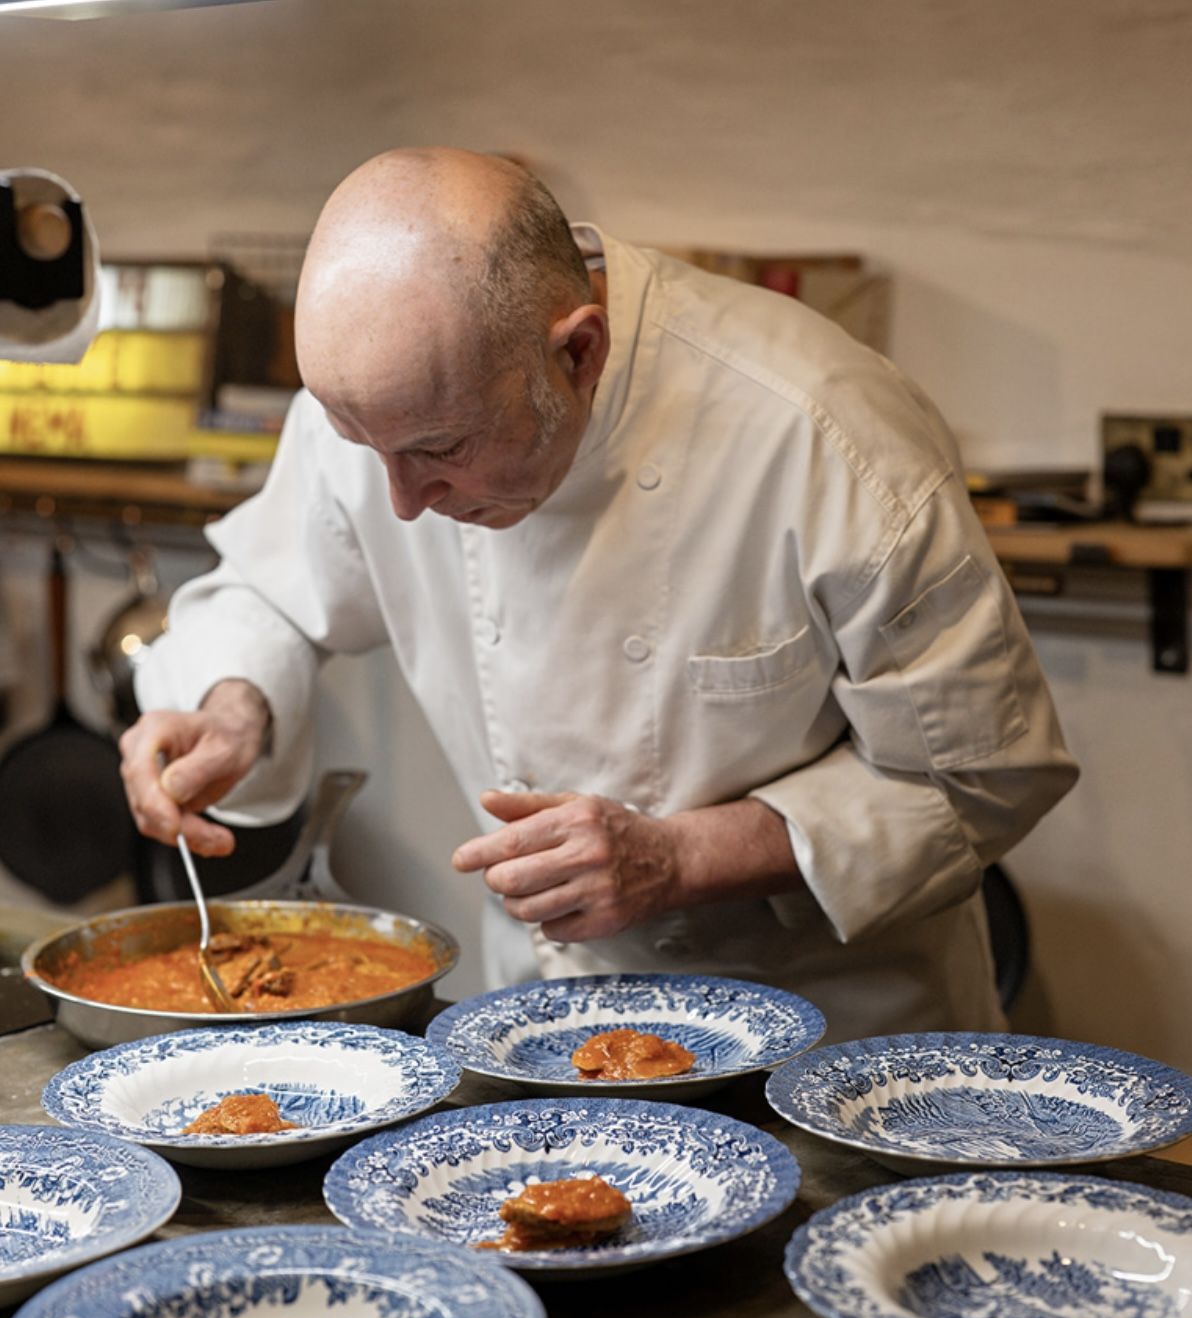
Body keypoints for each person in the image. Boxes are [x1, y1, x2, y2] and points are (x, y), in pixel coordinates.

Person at [120, 147, 1078, 1041]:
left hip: (832, 1048)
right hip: (540, 1027)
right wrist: (234, 704)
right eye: (371, 453)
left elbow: (984, 775)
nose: (403, 503)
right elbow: (274, 588)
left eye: (442, 452)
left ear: (576, 354)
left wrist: (682, 858)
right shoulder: (385, 401)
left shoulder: (821, 430)